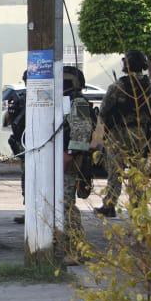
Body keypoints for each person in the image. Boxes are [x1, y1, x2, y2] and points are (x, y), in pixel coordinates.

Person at [95, 50, 151, 217]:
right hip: (142, 134)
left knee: (115, 171)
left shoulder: (117, 87)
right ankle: (138, 207)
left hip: (118, 134)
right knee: (138, 171)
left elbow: (103, 112)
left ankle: (110, 205)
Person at [62, 65, 95, 244]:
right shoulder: (66, 100)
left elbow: (82, 131)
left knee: (66, 204)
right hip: (63, 158)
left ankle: (75, 247)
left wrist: (69, 153)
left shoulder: (78, 101)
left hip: (70, 160)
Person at [3, 71, 27, 223]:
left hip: (40, 148)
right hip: (25, 147)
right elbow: (8, 121)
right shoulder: (22, 99)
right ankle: (29, 211)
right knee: (26, 180)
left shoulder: (45, 98)